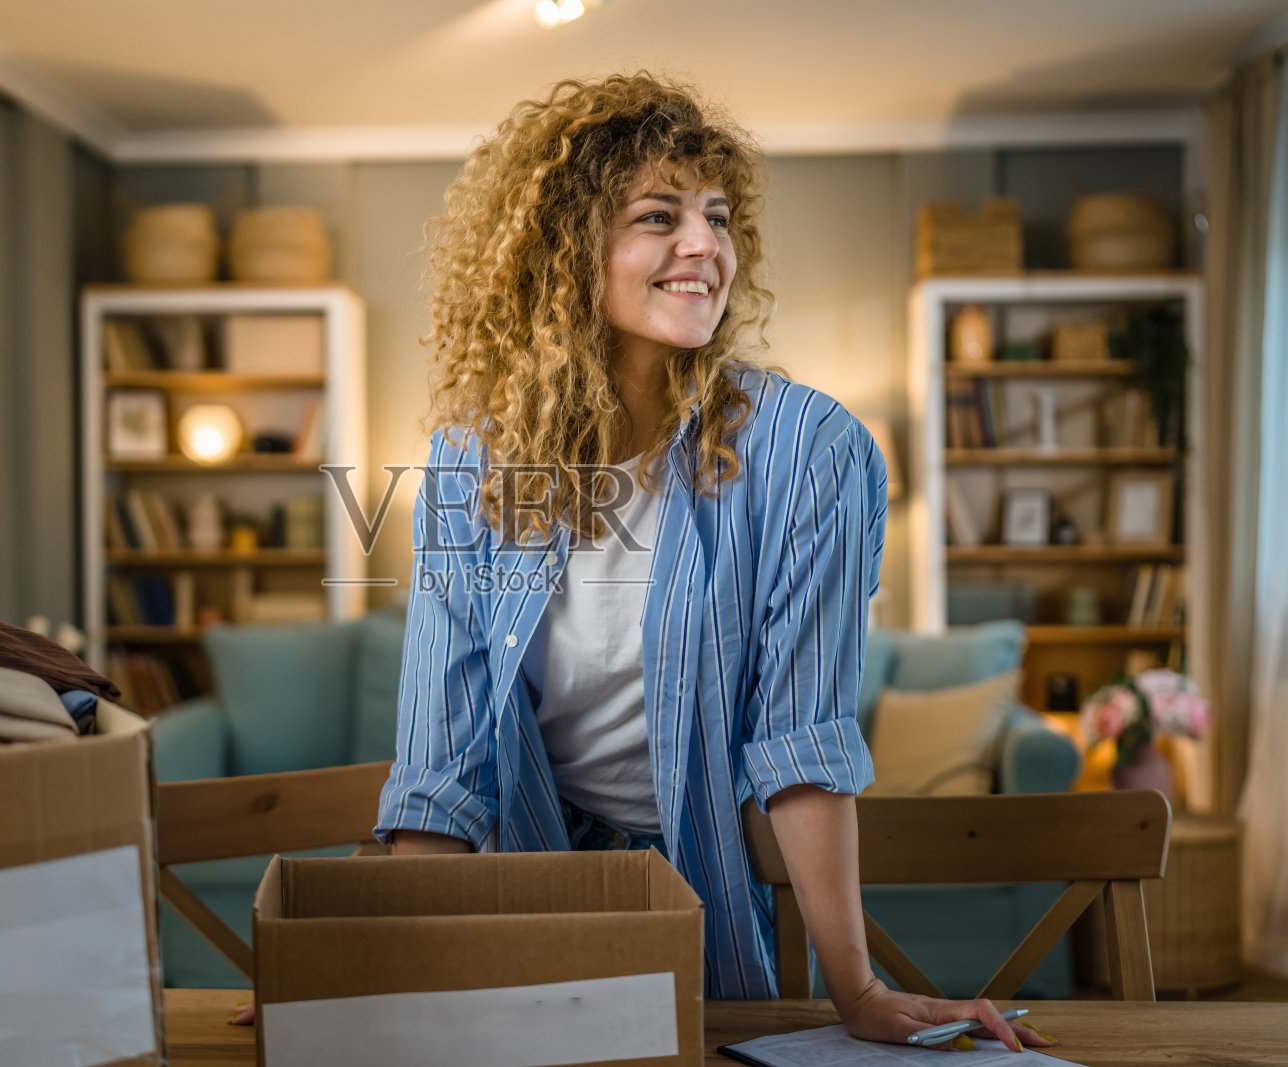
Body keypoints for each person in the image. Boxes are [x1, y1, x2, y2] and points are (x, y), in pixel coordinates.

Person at [373, 72, 1054, 1053]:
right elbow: (443, 767)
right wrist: (364, 975)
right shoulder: (468, 463)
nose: (705, 245)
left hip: (713, 898)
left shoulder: (809, 451)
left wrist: (858, 989)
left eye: (718, 217)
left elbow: (800, 742)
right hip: (523, 899)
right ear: (566, 251)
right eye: (659, 216)